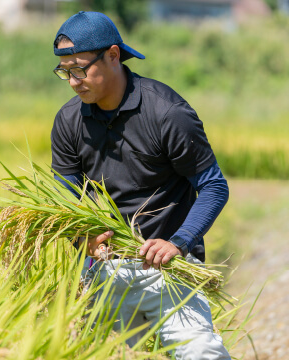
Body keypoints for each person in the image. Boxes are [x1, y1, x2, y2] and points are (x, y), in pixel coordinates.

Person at [50, 11, 231, 359]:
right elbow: (65, 197)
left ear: (114, 55)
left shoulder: (167, 113)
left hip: (170, 269)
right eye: (64, 70)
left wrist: (178, 242)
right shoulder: (69, 120)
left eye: (80, 68)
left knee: (202, 353)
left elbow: (213, 186)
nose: (73, 80)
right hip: (104, 268)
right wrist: (79, 236)